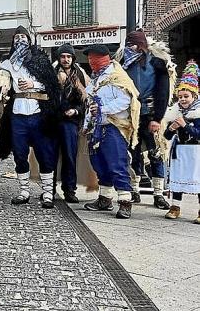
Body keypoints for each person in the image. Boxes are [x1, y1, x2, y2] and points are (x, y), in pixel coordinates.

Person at [0, 26, 61, 208]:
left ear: (29, 40)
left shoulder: (40, 60)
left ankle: (47, 193)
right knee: (20, 154)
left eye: (23, 37)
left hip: (39, 113)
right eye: (17, 37)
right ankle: (24, 191)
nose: (20, 40)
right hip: (17, 114)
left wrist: (33, 83)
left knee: (43, 153)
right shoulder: (8, 63)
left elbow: (52, 84)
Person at [83, 44, 140, 219]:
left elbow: (125, 101)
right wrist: (87, 123)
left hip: (114, 127)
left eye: (95, 58)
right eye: (90, 58)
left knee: (117, 164)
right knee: (99, 164)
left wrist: (102, 109)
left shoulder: (118, 77)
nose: (92, 62)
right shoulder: (95, 79)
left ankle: (125, 202)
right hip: (97, 127)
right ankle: (105, 198)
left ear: (105, 58)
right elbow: (90, 105)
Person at [120, 30, 171, 209]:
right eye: (129, 44)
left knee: (156, 153)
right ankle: (134, 190)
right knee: (132, 153)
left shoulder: (157, 63)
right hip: (131, 115)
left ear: (142, 45)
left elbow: (163, 92)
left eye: (134, 44)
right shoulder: (123, 63)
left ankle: (159, 194)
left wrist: (157, 118)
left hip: (151, 113)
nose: (131, 48)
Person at [162, 60, 200, 223]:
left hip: (196, 152)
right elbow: (167, 136)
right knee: (178, 180)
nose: (183, 99)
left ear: (194, 96)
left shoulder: (198, 114)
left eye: (186, 96)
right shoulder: (175, 113)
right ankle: (175, 207)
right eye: (180, 97)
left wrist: (186, 126)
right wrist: (170, 129)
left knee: (198, 180)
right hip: (179, 152)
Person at [53, 43, 89, 203]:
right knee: (50, 156)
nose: (66, 59)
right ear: (59, 58)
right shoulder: (51, 73)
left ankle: (69, 190)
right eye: (63, 56)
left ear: (73, 58)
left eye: (68, 56)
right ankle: (49, 189)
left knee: (69, 156)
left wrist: (76, 111)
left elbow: (85, 99)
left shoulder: (79, 75)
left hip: (70, 122)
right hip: (52, 120)